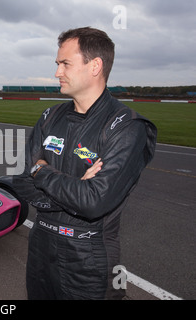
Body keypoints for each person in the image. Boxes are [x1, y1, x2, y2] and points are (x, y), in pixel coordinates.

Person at [14, 27, 157, 300]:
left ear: (95, 66)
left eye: (65, 64)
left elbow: (93, 203)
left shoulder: (126, 127)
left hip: (89, 257)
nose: (57, 72)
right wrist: (74, 190)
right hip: (40, 248)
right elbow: (21, 181)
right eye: (57, 64)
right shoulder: (49, 116)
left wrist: (42, 171)